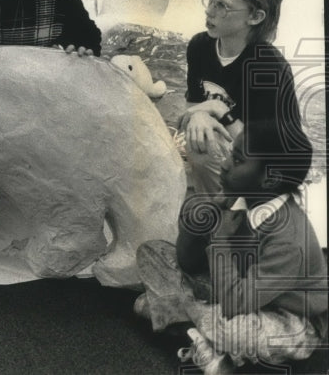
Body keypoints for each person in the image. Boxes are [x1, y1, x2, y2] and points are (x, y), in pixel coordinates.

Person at [133, 121, 324, 374]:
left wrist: (220, 239)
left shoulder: (289, 240)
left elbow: (236, 304)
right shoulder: (240, 199)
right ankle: (204, 339)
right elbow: (187, 262)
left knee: (224, 325)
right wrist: (205, 217)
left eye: (237, 160)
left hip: (292, 321)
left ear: (271, 179)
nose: (224, 164)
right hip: (238, 293)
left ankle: (191, 328)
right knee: (150, 252)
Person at [179, 0, 305, 196]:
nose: (209, 11)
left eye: (222, 6)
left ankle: (224, 219)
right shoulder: (199, 46)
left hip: (264, 164)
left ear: (255, 16)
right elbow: (193, 105)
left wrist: (219, 110)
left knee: (202, 148)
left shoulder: (269, 68)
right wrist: (200, 115)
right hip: (231, 145)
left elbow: (263, 153)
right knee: (197, 137)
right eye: (210, 0)